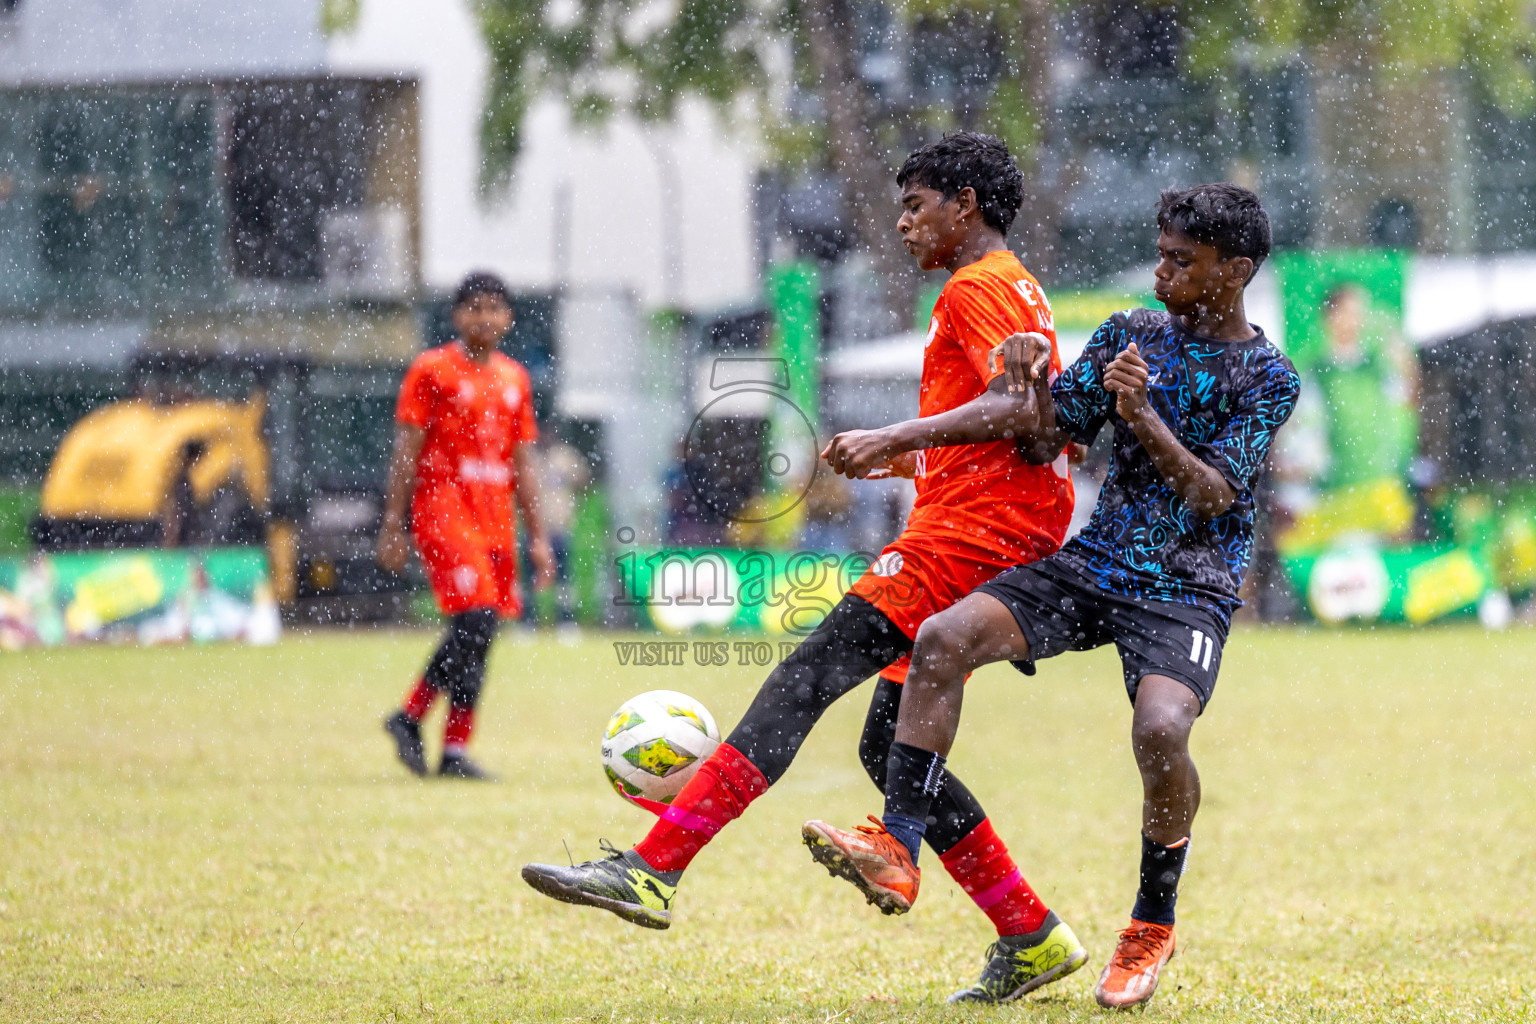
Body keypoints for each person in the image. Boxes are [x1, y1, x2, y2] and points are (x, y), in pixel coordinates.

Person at [523, 132, 1090, 1004]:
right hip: (992, 526)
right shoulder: (1009, 287)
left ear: (965, 204)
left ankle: (652, 869)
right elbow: (1029, 426)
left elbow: (1018, 405)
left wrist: (894, 435)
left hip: (968, 539)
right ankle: (1030, 932)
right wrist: (904, 462)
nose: (903, 222)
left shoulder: (979, 285)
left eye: (916, 205)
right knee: (883, 742)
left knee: (806, 674)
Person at [803, 183, 1300, 1010]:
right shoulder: (1130, 331)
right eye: (1161, 251)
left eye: (1183, 261)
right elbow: (1043, 438)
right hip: (1096, 564)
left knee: (1161, 727)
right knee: (943, 638)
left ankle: (1151, 920)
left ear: (1236, 270)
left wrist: (1140, 414)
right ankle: (896, 842)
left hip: (1188, 587)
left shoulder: (1268, 373)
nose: (1161, 271)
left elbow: (1213, 494)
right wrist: (1028, 380)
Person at [379, 272, 555, 780]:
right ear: (457, 316)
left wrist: (538, 538)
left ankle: (453, 750)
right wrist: (394, 524)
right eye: (474, 308)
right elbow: (406, 451)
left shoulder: (515, 379)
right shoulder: (431, 370)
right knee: (475, 619)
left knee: (480, 633)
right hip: (444, 510)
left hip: (497, 520)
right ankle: (410, 714)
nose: (484, 317)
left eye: (494, 308)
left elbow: (524, 462)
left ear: (509, 318)